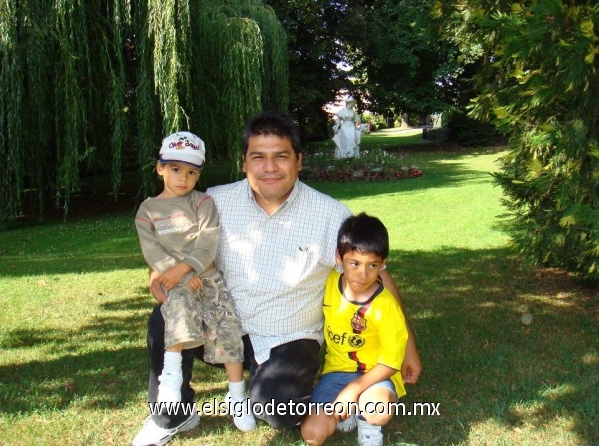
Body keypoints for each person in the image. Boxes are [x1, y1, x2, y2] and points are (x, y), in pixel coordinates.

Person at [131, 112, 422, 446]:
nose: (269, 168)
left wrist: (407, 348)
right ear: (244, 162)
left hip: (289, 336)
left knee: (278, 411)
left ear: (298, 161)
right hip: (225, 325)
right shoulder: (214, 201)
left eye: (281, 156)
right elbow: (172, 235)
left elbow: (377, 278)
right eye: (258, 157)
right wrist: (159, 269)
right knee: (164, 319)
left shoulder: (329, 214)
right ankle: (172, 415)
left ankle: (288, 391)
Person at [132, 132, 255, 446]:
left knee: (229, 329)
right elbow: (153, 252)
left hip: (207, 277)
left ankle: (237, 395)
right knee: (176, 317)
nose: (183, 178)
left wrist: (186, 268)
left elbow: (207, 243)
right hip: (175, 283)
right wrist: (179, 277)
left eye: (191, 172)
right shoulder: (147, 210)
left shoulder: (203, 202)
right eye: (175, 169)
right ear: (159, 168)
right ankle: (171, 384)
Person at [301, 213, 408, 446]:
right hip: (335, 374)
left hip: (375, 376)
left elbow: (390, 362)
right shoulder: (328, 281)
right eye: (354, 263)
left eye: (372, 265)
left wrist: (353, 389)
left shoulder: (386, 306)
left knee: (376, 409)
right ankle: (347, 411)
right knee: (312, 433)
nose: (362, 274)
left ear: (383, 264)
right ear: (339, 258)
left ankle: (368, 425)